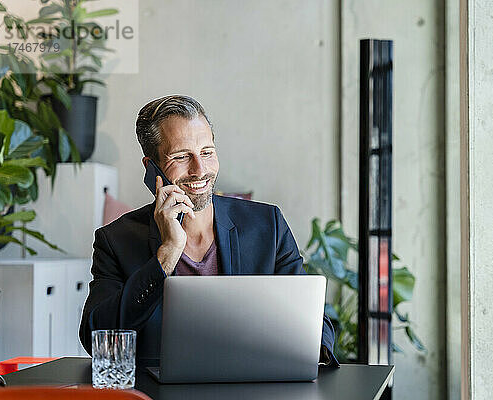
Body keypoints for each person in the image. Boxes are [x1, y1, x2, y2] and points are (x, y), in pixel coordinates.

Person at [79, 95, 339, 367]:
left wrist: (310, 353)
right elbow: (96, 338)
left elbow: (315, 321)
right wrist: (166, 255)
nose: (200, 170)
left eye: (207, 152)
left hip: (252, 385)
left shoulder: (267, 225)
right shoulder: (116, 240)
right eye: (181, 156)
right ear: (151, 167)